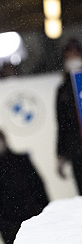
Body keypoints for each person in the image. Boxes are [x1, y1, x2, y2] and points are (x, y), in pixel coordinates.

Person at [0, 124, 49, 244]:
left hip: (35, 224)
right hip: (11, 233)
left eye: (0, 139)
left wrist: (40, 213)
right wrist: (6, 224)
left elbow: (40, 189)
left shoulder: (22, 162)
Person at [56, 38, 82, 194]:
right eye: (69, 57)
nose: (72, 59)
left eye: (75, 55)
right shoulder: (63, 91)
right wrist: (61, 154)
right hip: (77, 150)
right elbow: (61, 124)